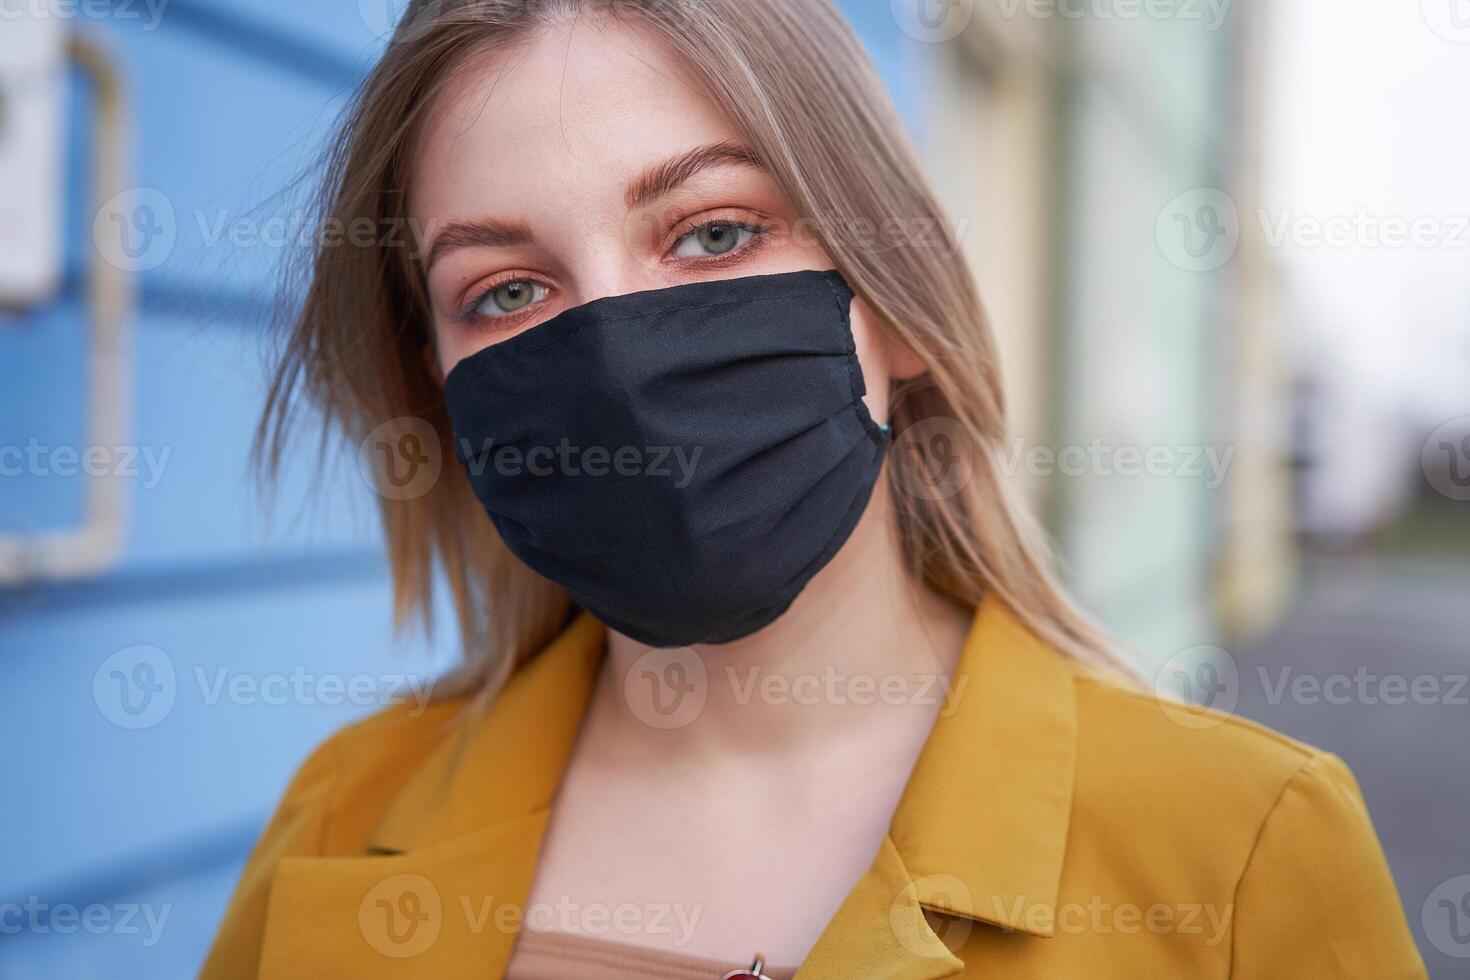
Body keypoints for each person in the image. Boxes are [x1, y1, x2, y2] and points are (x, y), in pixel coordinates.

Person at [202, 1, 1426, 976]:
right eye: (508, 290)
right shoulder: (340, 814)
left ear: (894, 300)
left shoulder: (1239, 851)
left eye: (715, 232)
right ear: (443, 395)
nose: (623, 360)